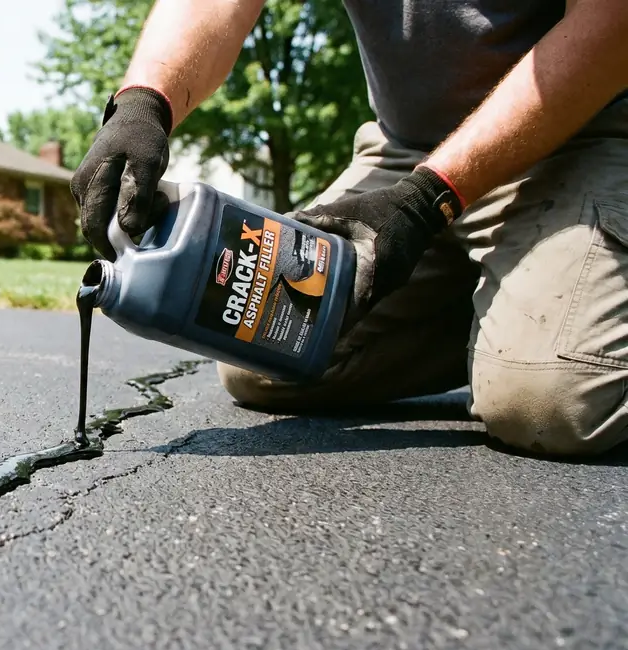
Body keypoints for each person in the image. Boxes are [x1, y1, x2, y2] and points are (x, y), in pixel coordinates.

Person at [70, 0, 628, 457]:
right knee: (263, 354)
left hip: (582, 133)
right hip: (406, 151)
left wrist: (425, 201)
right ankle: (502, 307)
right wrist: (144, 103)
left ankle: (555, 324)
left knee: (551, 404)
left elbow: (613, 21)